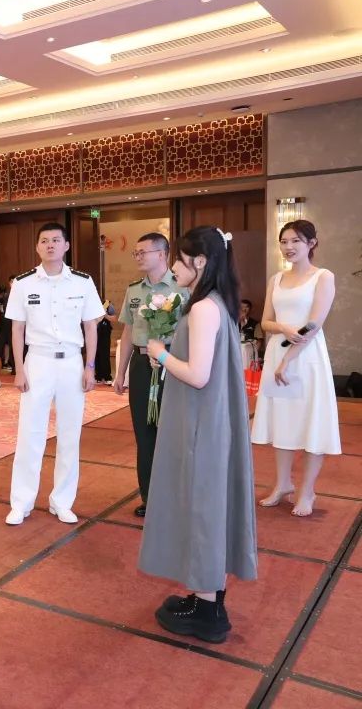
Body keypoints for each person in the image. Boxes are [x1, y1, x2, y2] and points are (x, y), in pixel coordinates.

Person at [138, 225, 257, 644]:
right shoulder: (217, 301)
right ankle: (208, 597)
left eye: (180, 258)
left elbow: (198, 375)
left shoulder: (205, 308)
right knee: (208, 506)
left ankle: (207, 611)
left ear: (200, 262)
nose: (174, 266)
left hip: (200, 423)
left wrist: (161, 352)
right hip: (209, 418)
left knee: (202, 508)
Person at [5, 222, 104, 526]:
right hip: (38, 361)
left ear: (66, 246)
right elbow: (17, 329)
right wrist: (19, 370)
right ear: (37, 247)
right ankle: (21, 502)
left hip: (72, 362)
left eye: (56, 240)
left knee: (70, 435)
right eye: (45, 240)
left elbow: (91, 326)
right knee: (30, 434)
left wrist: (90, 367)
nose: (50, 245)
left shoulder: (82, 282)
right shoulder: (23, 283)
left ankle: (62, 501)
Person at [251, 220, 340, 517]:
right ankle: (283, 484)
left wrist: (288, 359)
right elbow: (266, 321)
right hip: (278, 353)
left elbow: (314, 324)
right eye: (284, 241)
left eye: (296, 241)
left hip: (306, 357)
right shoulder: (276, 279)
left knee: (311, 421)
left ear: (311, 243)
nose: (288, 247)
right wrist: (284, 328)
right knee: (282, 420)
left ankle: (307, 490)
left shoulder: (323, 277)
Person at [113, 233, 186, 517]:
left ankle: (177, 496)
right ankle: (150, 496)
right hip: (143, 365)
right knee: (144, 434)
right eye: (136, 252)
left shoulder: (182, 286)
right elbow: (129, 331)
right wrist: (121, 372)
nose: (139, 257)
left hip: (174, 365)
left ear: (162, 254)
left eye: (144, 252)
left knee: (174, 432)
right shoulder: (134, 290)